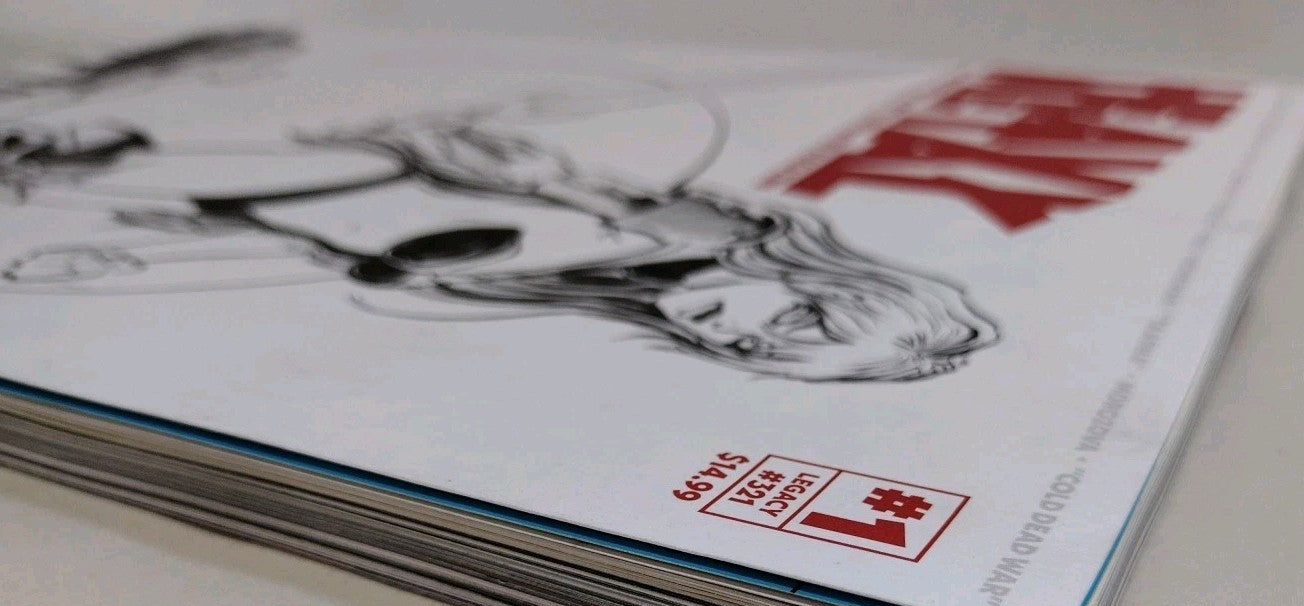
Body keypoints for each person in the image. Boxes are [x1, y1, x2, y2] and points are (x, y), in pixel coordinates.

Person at [1, 34, 1000, 383]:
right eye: (785, 323)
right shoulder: (671, 234)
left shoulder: (588, 287)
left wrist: (150, 250)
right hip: (325, 166)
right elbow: (530, 180)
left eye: (747, 354)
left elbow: (344, 258)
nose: (728, 333)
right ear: (823, 283)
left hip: (251, 203)